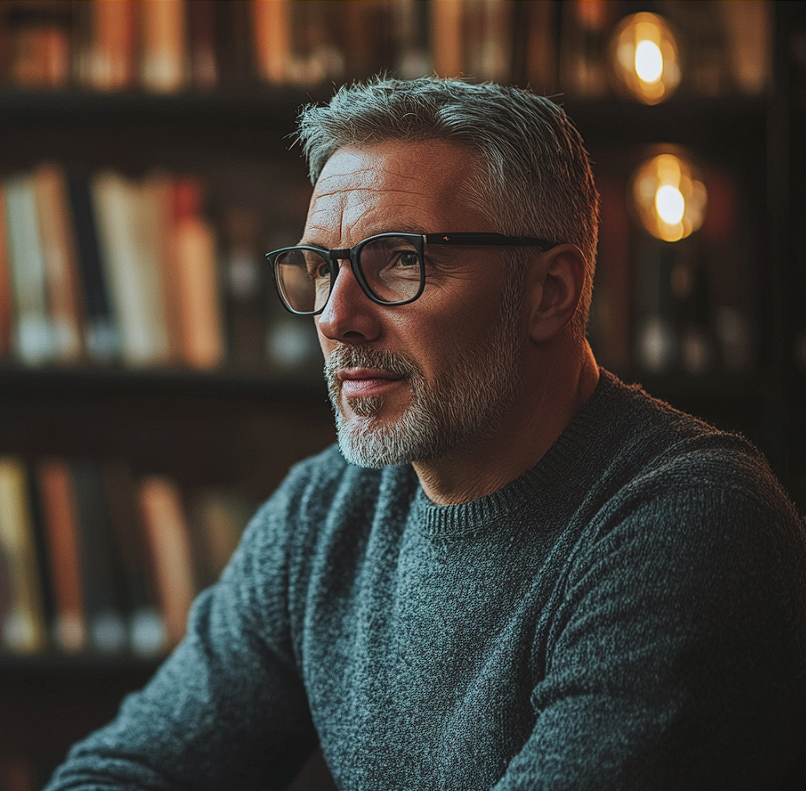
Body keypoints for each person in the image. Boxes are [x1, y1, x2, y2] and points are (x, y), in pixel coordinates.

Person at [45, 77, 806, 791]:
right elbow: (119, 769)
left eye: (401, 260)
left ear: (550, 292)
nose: (337, 316)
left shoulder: (691, 522)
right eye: (320, 267)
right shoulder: (324, 512)